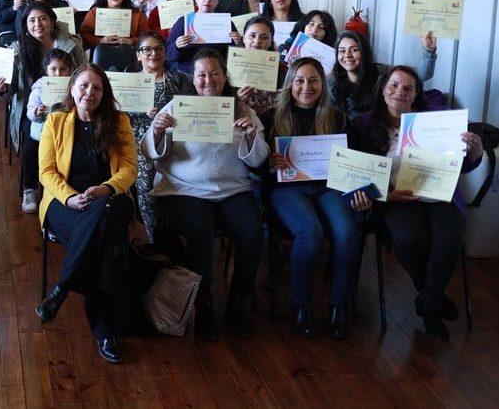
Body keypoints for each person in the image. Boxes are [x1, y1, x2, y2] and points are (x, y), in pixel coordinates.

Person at [144, 49, 269, 342]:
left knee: (252, 232)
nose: (208, 80)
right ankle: (204, 304)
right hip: (184, 188)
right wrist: (160, 131)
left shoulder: (242, 110)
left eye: (215, 73)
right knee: (200, 234)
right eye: (201, 74)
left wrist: (251, 136)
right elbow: (149, 151)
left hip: (232, 189)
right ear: (193, 78)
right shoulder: (178, 107)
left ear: (225, 77)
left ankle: (238, 303)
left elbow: (259, 160)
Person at [352, 66, 483, 340]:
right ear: (382, 88)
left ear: (416, 95)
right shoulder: (363, 123)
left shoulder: (436, 121)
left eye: (408, 88)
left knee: (449, 240)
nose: (399, 92)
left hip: (438, 193)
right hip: (396, 197)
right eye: (394, 85)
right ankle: (432, 298)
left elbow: (462, 166)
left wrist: (475, 152)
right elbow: (359, 171)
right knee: (410, 239)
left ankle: (428, 305)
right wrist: (383, 195)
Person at [35, 64, 138, 363]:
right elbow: (46, 172)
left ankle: (62, 288)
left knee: (103, 214)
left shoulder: (119, 122)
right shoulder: (55, 122)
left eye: (96, 88)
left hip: (110, 197)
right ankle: (105, 331)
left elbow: (129, 170)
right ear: (72, 89)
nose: (89, 93)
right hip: (64, 202)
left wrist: (105, 188)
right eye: (83, 86)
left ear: (104, 94)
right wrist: (69, 199)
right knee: (102, 238)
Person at [264, 57, 365, 339]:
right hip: (287, 190)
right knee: (311, 232)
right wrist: (268, 165)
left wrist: (362, 191)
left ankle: (338, 306)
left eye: (313, 80)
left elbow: (359, 163)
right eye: (299, 80)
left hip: (330, 188)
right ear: (290, 84)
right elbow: (255, 167)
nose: (306, 87)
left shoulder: (339, 119)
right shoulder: (271, 118)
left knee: (346, 233)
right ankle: (302, 304)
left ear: (323, 84)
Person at [0, 3, 86, 214]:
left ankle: (68, 183)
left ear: (52, 21)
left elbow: (84, 72)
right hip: (34, 109)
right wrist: (1, 89)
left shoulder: (72, 45)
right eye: (32, 20)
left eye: (43, 18)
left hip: (69, 106)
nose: (38, 24)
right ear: (25, 26)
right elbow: (9, 90)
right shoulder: (18, 49)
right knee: (30, 140)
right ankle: (29, 187)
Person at [124, 33, 188, 241]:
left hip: (175, 139)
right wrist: (142, 112)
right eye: (147, 50)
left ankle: (176, 238)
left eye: (159, 49)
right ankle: (154, 239)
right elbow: (119, 115)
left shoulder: (179, 78)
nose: (154, 54)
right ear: (138, 55)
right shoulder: (130, 83)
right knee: (146, 182)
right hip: (140, 140)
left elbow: (190, 111)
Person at [329, 30, 436, 119]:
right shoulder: (331, 83)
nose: (347, 55)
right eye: (342, 51)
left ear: (364, 52)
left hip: (378, 132)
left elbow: (421, 75)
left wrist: (429, 51)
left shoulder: (382, 73)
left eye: (354, 50)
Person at [166, 0, 228, 74]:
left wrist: (237, 43)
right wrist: (177, 46)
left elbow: (234, 56)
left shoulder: (226, 23)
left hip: (216, 75)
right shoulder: (183, 22)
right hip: (187, 75)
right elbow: (169, 56)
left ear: (218, 0)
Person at [233, 16, 283, 117]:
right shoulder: (229, 66)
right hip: (241, 122)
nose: (257, 41)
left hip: (273, 122)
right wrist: (237, 100)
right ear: (243, 38)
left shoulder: (281, 69)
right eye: (252, 36)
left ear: (270, 41)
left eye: (264, 37)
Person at [79, 0, 148, 50]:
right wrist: (100, 41)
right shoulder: (94, 12)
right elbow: (84, 35)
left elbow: (146, 37)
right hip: (100, 52)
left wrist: (130, 41)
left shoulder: (136, 14)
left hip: (129, 52)